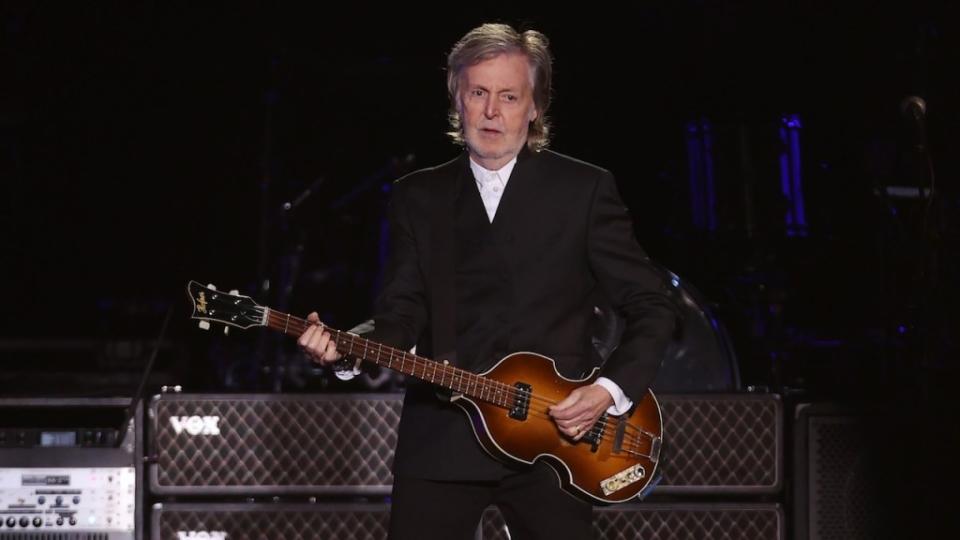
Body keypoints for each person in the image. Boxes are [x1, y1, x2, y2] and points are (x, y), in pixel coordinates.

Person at [299, 22, 678, 540]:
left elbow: (652, 304)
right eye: (478, 93)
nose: (492, 111)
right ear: (458, 99)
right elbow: (401, 313)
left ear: (535, 106)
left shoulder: (584, 190)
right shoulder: (418, 196)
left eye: (509, 95)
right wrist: (349, 349)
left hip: (557, 441)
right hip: (442, 438)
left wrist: (607, 391)